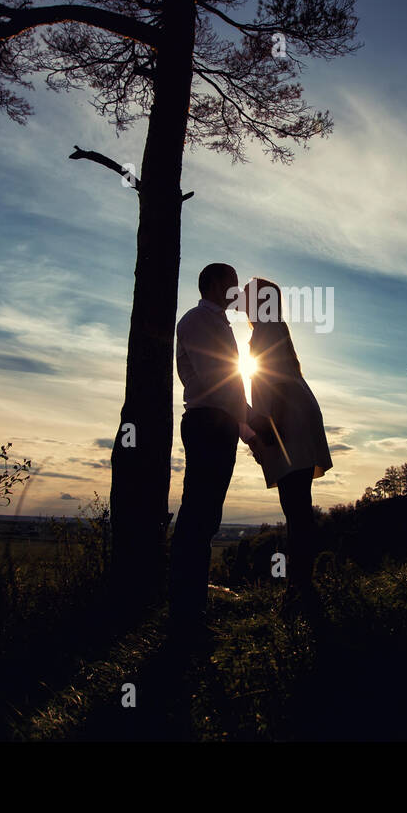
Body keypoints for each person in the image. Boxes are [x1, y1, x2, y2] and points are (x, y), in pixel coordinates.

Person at [168, 263, 257, 641]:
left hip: (217, 422)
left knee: (205, 517)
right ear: (214, 284)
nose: (236, 290)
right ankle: (186, 611)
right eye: (232, 284)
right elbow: (216, 377)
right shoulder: (197, 321)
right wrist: (247, 419)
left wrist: (240, 424)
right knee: (198, 516)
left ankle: (192, 606)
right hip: (207, 422)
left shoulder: (217, 322)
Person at [237, 277, 333, 622]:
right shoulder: (272, 328)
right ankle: (302, 588)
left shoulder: (265, 331)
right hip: (293, 418)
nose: (242, 302)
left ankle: (299, 591)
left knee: (296, 508)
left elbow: (273, 383)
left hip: (287, 422)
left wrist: (267, 428)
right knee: (298, 507)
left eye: (247, 297)